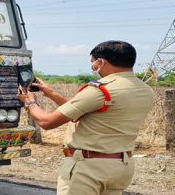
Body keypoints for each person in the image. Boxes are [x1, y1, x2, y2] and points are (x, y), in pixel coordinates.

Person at [17, 41, 155, 195]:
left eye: (93, 63)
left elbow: (46, 122)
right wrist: (50, 93)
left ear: (100, 62)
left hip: (89, 168)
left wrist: (30, 102)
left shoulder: (101, 90)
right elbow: (83, 110)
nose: (93, 67)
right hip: (121, 166)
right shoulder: (146, 91)